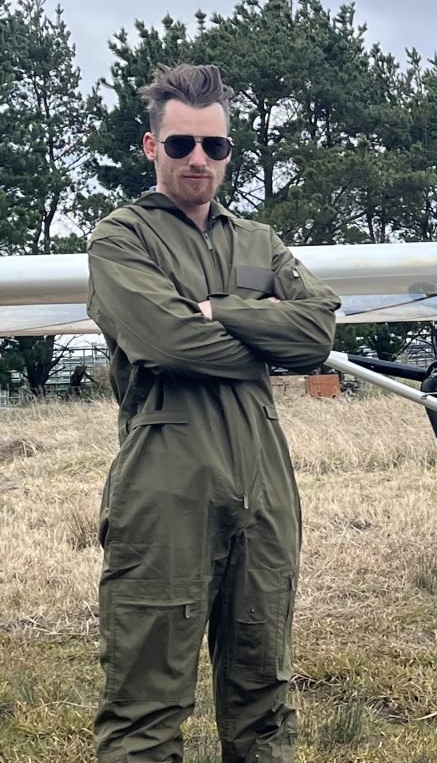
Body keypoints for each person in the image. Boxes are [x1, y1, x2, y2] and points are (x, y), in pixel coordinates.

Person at [86, 63, 341, 762]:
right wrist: (262, 337)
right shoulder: (120, 238)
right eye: (181, 145)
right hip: (167, 482)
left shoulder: (259, 241)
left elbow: (318, 332)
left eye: (214, 146)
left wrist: (218, 312)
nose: (198, 159)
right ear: (151, 147)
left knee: (265, 695)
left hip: (264, 483)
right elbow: (163, 340)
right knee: (146, 705)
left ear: (229, 151)